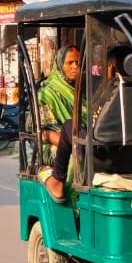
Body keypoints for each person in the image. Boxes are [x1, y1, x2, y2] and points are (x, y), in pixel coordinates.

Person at [38, 45, 80, 203]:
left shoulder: (87, 90)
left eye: (78, 62)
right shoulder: (47, 93)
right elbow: (44, 132)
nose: (75, 66)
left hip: (82, 140)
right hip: (57, 144)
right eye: (70, 63)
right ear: (60, 65)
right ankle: (74, 203)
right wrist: (71, 143)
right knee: (78, 160)